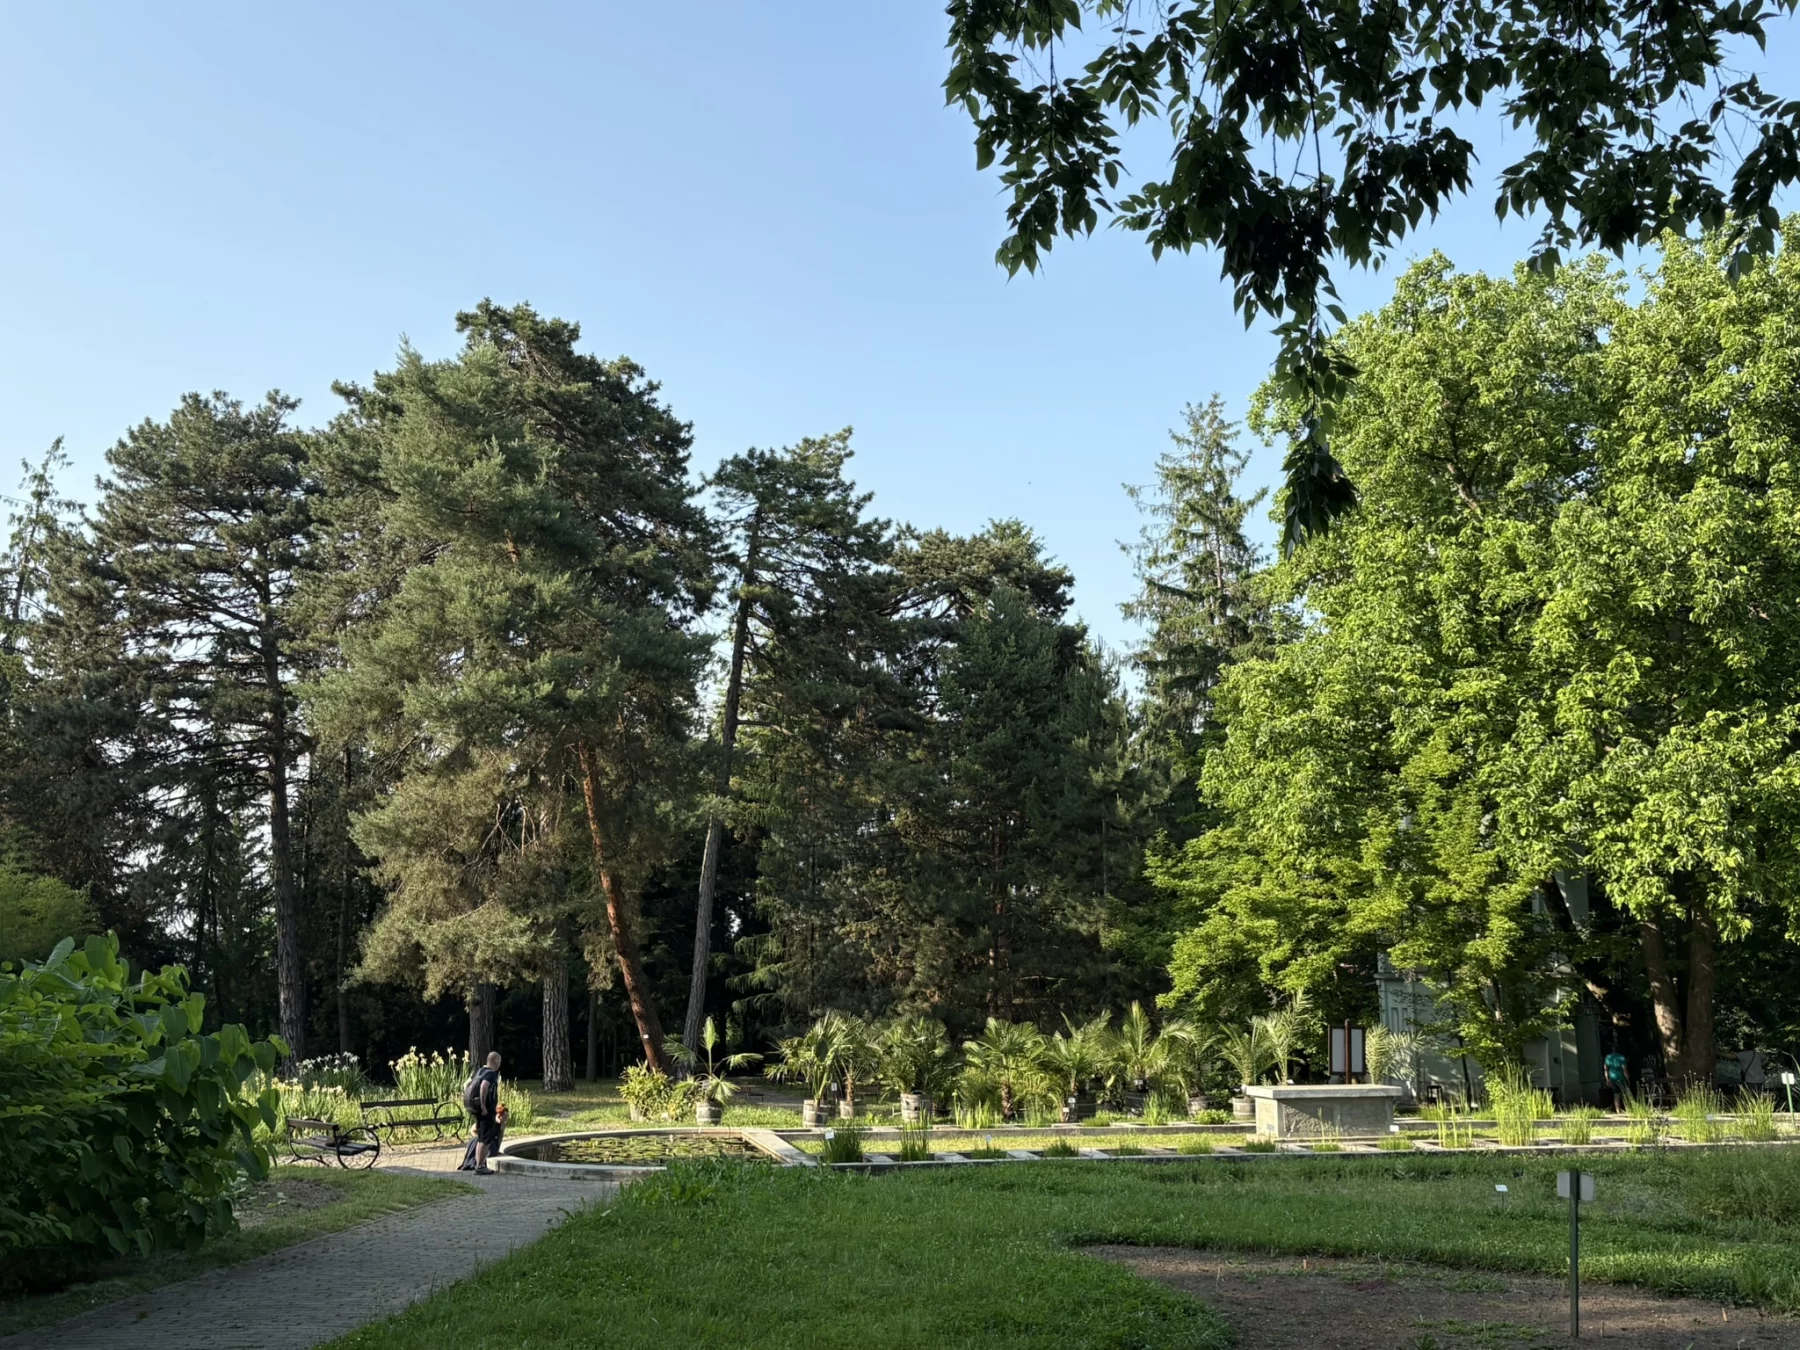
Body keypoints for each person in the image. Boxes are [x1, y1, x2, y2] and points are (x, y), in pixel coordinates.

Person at [469, 1051, 503, 1175]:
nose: (499, 1064)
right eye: (499, 1061)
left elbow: (467, 1085)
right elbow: (484, 1087)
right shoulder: (491, 1074)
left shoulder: (479, 1071)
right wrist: (484, 1105)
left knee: (481, 1138)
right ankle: (480, 1166)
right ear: (495, 1061)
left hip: (477, 1109)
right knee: (486, 1139)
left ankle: (479, 1164)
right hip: (486, 1110)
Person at [1603, 1045, 1629, 1113]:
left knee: (1616, 1095)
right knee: (1624, 1095)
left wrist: (1607, 1079)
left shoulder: (1608, 1057)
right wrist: (1628, 1079)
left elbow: (1606, 1069)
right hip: (1621, 1078)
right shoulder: (1621, 1057)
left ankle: (1617, 1111)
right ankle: (1627, 1109)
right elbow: (1624, 1070)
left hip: (1612, 1078)